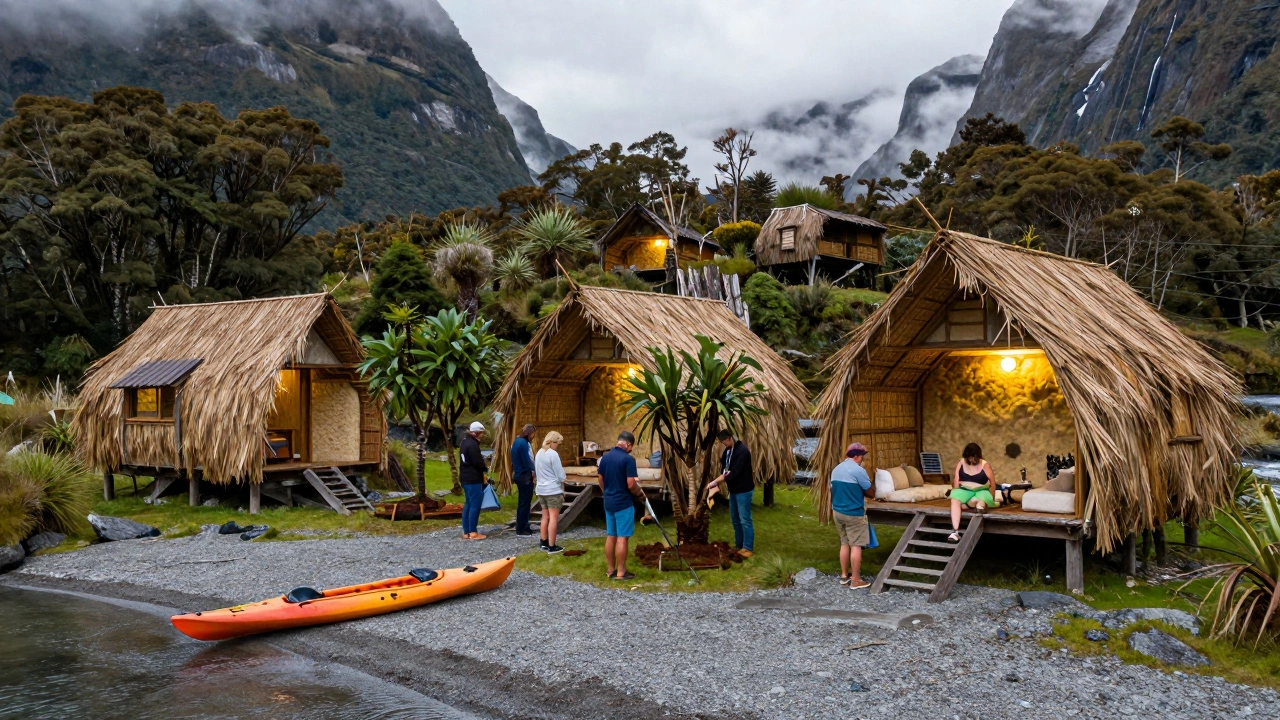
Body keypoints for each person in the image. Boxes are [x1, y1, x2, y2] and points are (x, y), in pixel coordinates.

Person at [597, 431, 646, 580]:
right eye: (632, 447)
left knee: (611, 535)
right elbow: (631, 484)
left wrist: (606, 492)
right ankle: (621, 572)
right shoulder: (628, 459)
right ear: (629, 444)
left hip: (609, 501)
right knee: (622, 538)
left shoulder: (605, 458)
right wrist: (639, 493)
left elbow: (600, 478)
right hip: (623, 503)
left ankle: (610, 570)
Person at [831, 442, 873, 589]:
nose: (862, 459)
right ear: (856, 456)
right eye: (862, 456)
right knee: (856, 545)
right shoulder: (858, 471)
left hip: (837, 511)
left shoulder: (836, 469)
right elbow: (870, 492)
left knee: (844, 542)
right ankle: (855, 579)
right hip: (854, 513)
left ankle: (844, 576)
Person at [706, 429, 754, 557]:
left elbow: (732, 474)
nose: (724, 445)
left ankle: (748, 547)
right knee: (735, 519)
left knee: (745, 519)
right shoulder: (728, 451)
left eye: (724, 442)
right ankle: (739, 545)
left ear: (729, 438)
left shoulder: (742, 452)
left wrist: (714, 483)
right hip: (733, 490)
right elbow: (725, 469)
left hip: (743, 490)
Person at [947, 442, 996, 543]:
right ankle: (955, 531)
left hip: (981, 491)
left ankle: (979, 507)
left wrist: (992, 498)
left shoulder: (985, 465)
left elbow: (992, 482)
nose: (971, 460)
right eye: (969, 457)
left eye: (974, 457)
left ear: (978, 456)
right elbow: (956, 479)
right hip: (966, 490)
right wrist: (956, 493)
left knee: (980, 505)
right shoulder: (961, 463)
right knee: (954, 500)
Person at [535, 431, 567, 553]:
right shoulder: (553, 454)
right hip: (553, 489)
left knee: (545, 516)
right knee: (553, 518)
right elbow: (559, 474)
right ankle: (552, 545)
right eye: (558, 443)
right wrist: (564, 479)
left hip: (541, 489)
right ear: (553, 442)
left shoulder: (539, 452)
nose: (558, 445)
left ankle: (543, 541)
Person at [459, 421, 488, 540]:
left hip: (465, 478)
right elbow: (477, 462)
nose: (481, 435)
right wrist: (485, 468)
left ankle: (466, 531)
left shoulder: (464, 442)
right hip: (473, 478)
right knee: (475, 505)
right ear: (476, 433)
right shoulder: (473, 445)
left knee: (468, 504)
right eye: (481, 433)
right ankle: (473, 531)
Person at [510, 423, 537, 536]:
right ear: (530, 433)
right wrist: (536, 471)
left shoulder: (516, 442)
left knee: (522, 502)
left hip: (518, 474)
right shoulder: (525, 444)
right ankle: (522, 528)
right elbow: (529, 460)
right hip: (525, 476)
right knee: (525, 503)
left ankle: (520, 525)